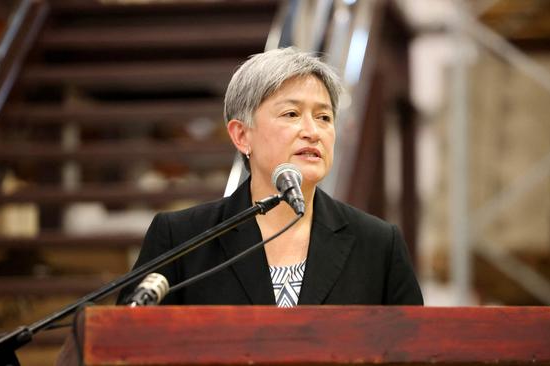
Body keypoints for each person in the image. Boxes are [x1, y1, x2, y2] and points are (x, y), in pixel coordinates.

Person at [118, 47, 423, 306]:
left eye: (324, 117)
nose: (312, 132)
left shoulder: (378, 244)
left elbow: (415, 351)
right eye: (291, 114)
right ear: (241, 136)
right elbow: (125, 343)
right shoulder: (183, 240)